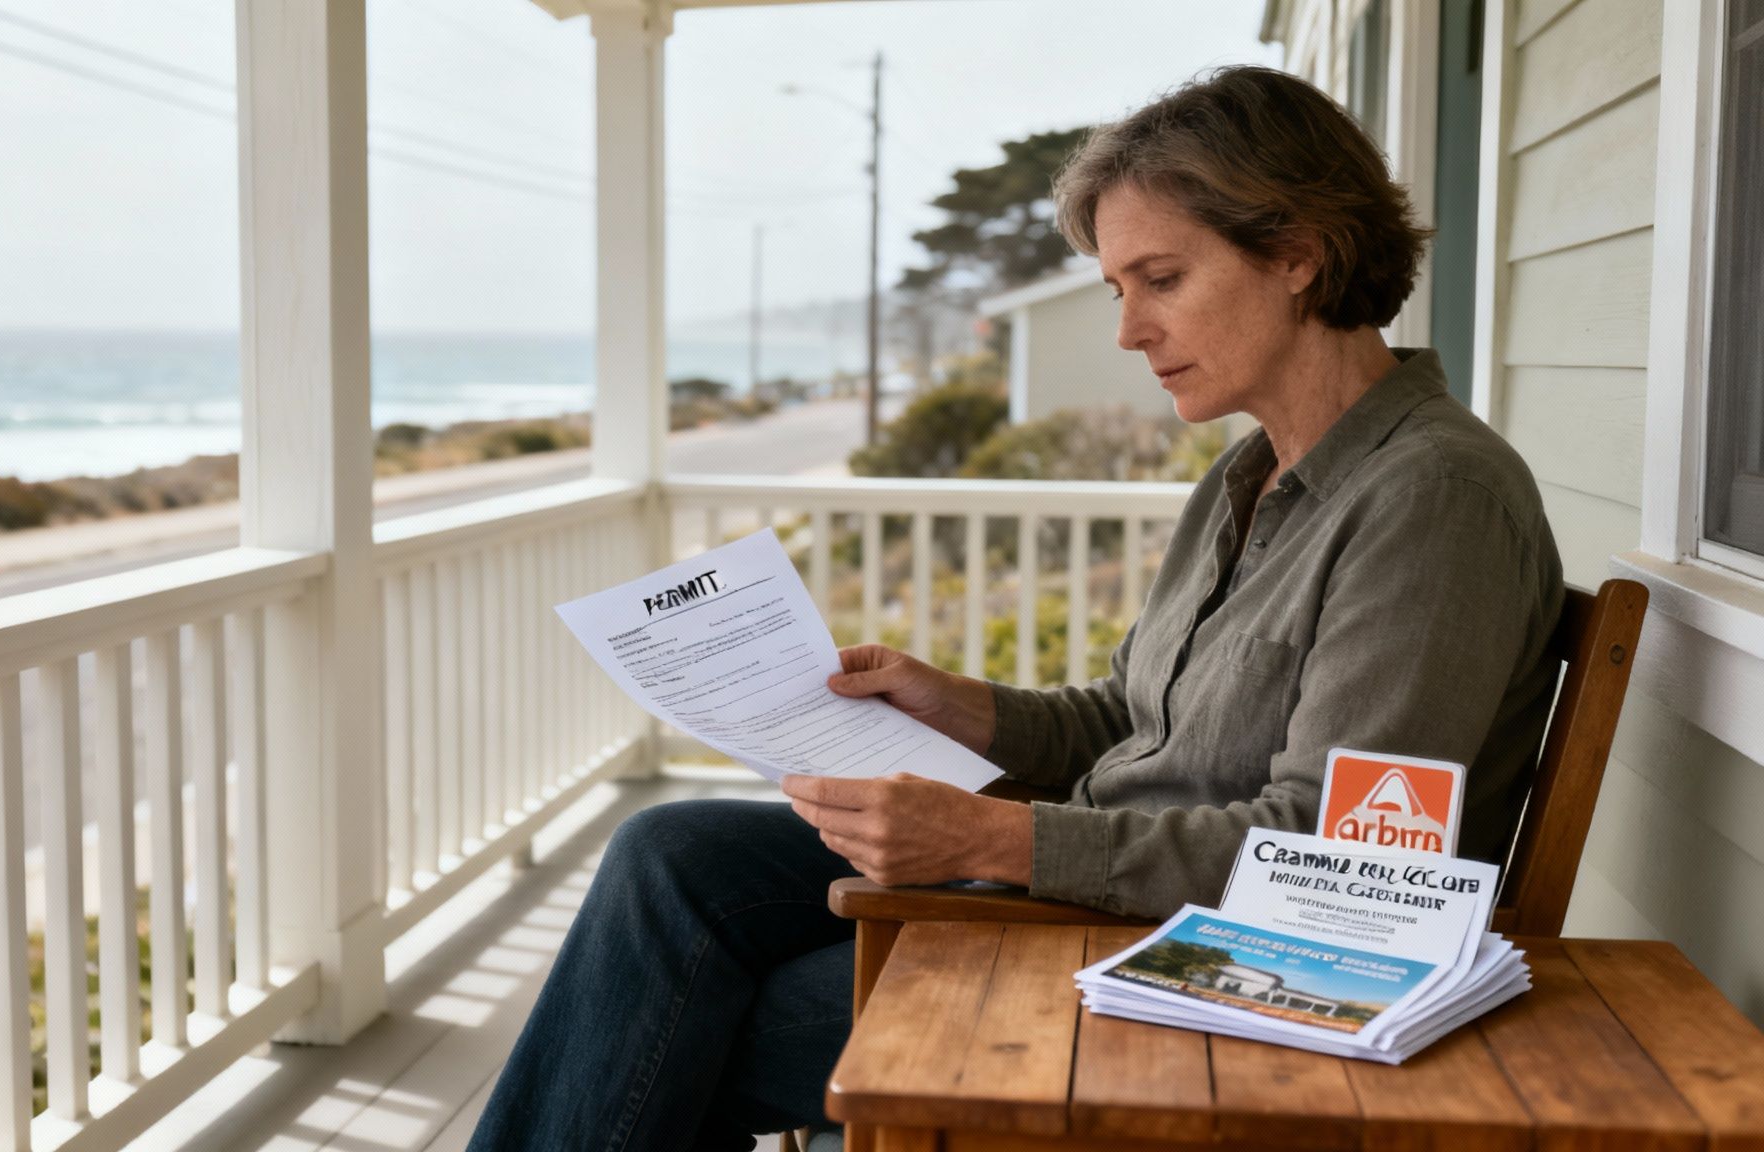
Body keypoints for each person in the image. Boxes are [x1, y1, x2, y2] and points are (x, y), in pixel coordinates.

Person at [467, 64, 1563, 1152]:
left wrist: (992, 835)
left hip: (1202, 955)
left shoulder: (1431, 500)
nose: (1130, 330)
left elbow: (1331, 862)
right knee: (666, 853)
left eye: (1161, 279)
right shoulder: (1245, 480)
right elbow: (1128, 724)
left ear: (1295, 254)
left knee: (661, 1030)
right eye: (1115, 289)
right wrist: (953, 704)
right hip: (1086, 882)